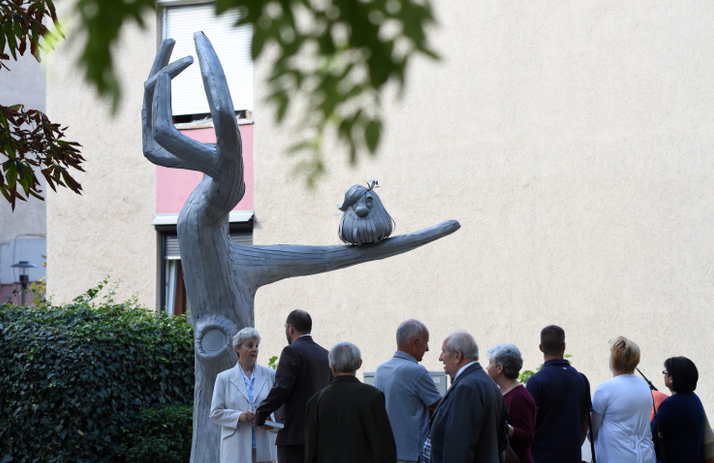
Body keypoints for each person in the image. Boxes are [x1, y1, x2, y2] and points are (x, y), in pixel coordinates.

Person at [255, 310, 332, 463]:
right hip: (321, 435)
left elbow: (281, 388)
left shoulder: (291, 351)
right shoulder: (327, 355)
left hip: (294, 436)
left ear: (290, 328)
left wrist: (261, 414)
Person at [305, 342, 397, 463]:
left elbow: (311, 452)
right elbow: (384, 448)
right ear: (359, 364)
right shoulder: (372, 397)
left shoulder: (316, 401)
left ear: (332, 366)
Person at [429, 330, 509, 463]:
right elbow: (502, 439)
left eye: (444, 351)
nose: (440, 357)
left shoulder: (466, 388)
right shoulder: (489, 383)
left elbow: (459, 448)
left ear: (457, 356)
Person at [374, 319, 442, 463]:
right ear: (415, 342)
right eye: (426, 343)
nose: (427, 349)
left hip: (386, 452)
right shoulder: (416, 371)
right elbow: (441, 408)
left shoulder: (380, 371)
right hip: (410, 456)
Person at [210, 327, 278, 463]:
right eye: (250, 345)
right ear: (237, 348)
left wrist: (269, 419)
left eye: (257, 346)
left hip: (264, 445)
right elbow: (215, 413)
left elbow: (278, 409)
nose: (255, 349)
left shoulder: (270, 375)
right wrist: (239, 416)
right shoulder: (224, 378)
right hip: (236, 448)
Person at [525, 325, 591, 463]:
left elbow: (530, 425)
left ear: (541, 348)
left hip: (541, 457)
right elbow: (585, 421)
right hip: (572, 457)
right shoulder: (581, 379)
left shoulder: (535, 381)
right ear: (564, 346)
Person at [590, 336, 655, 463]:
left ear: (613, 360)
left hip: (616, 456)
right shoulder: (644, 386)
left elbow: (592, 430)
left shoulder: (605, 388)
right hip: (645, 456)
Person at [486, 343, 535, 463]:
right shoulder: (501, 393)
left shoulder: (518, 397)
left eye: (490, 363)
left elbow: (527, 437)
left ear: (499, 368)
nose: (487, 368)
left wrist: (504, 427)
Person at [652, 356, 705, 463]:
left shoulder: (671, 404)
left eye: (665, 372)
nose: (664, 375)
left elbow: (653, 436)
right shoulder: (694, 398)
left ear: (671, 378)